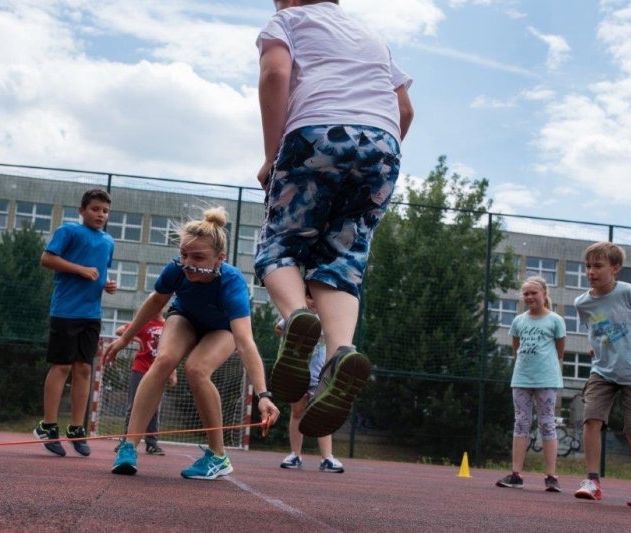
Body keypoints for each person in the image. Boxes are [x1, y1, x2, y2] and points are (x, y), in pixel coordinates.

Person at [254, 0, 414, 439]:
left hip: (316, 132)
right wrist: (372, 154)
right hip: (382, 142)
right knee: (343, 257)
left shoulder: (286, 20)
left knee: (280, 243)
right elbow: (405, 111)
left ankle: (295, 317)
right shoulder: (372, 37)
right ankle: (341, 351)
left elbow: (274, 75)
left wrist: (273, 155)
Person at [103, 207, 279, 479]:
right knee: (163, 361)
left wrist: (264, 395)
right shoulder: (176, 269)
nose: (187, 262)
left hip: (221, 330)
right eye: (184, 254)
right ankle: (128, 446)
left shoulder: (232, 284)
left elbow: (245, 341)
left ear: (220, 258)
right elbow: (155, 303)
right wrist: (125, 338)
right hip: (185, 317)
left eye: (198, 257)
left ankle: (218, 456)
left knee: (196, 369)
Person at [573, 242, 631, 507]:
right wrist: (596, 348)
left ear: (615, 268)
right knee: (591, 418)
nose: (591, 271)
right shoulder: (582, 302)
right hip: (602, 371)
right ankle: (592, 481)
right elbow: (596, 327)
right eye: (588, 266)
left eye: (598, 266)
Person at [33, 188, 116, 457]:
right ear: (82, 211)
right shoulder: (68, 232)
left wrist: (107, 285)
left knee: (83, 369)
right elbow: (46, 259)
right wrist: (80, 270)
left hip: (91, 315)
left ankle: (77, 429)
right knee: (62, 366)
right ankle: (48, 425)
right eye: (94, 209)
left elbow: (98, 273)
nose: (100, 215)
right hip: (66, 311)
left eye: (104, 211)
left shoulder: (108, 242)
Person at [496, 276, 565, 492]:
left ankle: (551, 477)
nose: (529, 297)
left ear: (544, 294)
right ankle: (516, 474)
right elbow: (515, 348)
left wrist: (544, 366)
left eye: (533, 293)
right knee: (521, 423)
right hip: (521, 379)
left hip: (546, 379)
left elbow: (560, 351)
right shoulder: (518, 321)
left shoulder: (555, 320)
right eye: (526, 294)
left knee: (547, 424)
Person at [276, 291, 344, 473]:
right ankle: (295, 455)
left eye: (316, 297)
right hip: (299, 374)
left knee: (321, 413)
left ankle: (327, 458)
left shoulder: (328, 316)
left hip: (320, 375)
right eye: (309, 297)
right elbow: (279, 328)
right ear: (303, 297)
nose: (313, 302)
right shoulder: (299, 316)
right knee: (297, 411)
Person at [112, 311, 177, 456]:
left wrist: (173, 371)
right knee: (133, 405)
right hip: (140, 369)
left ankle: (152, 443)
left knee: (154, 408)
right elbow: (119, 330)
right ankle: (125, 441)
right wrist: (135, 338)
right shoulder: (144, 322)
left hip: (158, 371)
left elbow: (173, 350)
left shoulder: (168, 325)